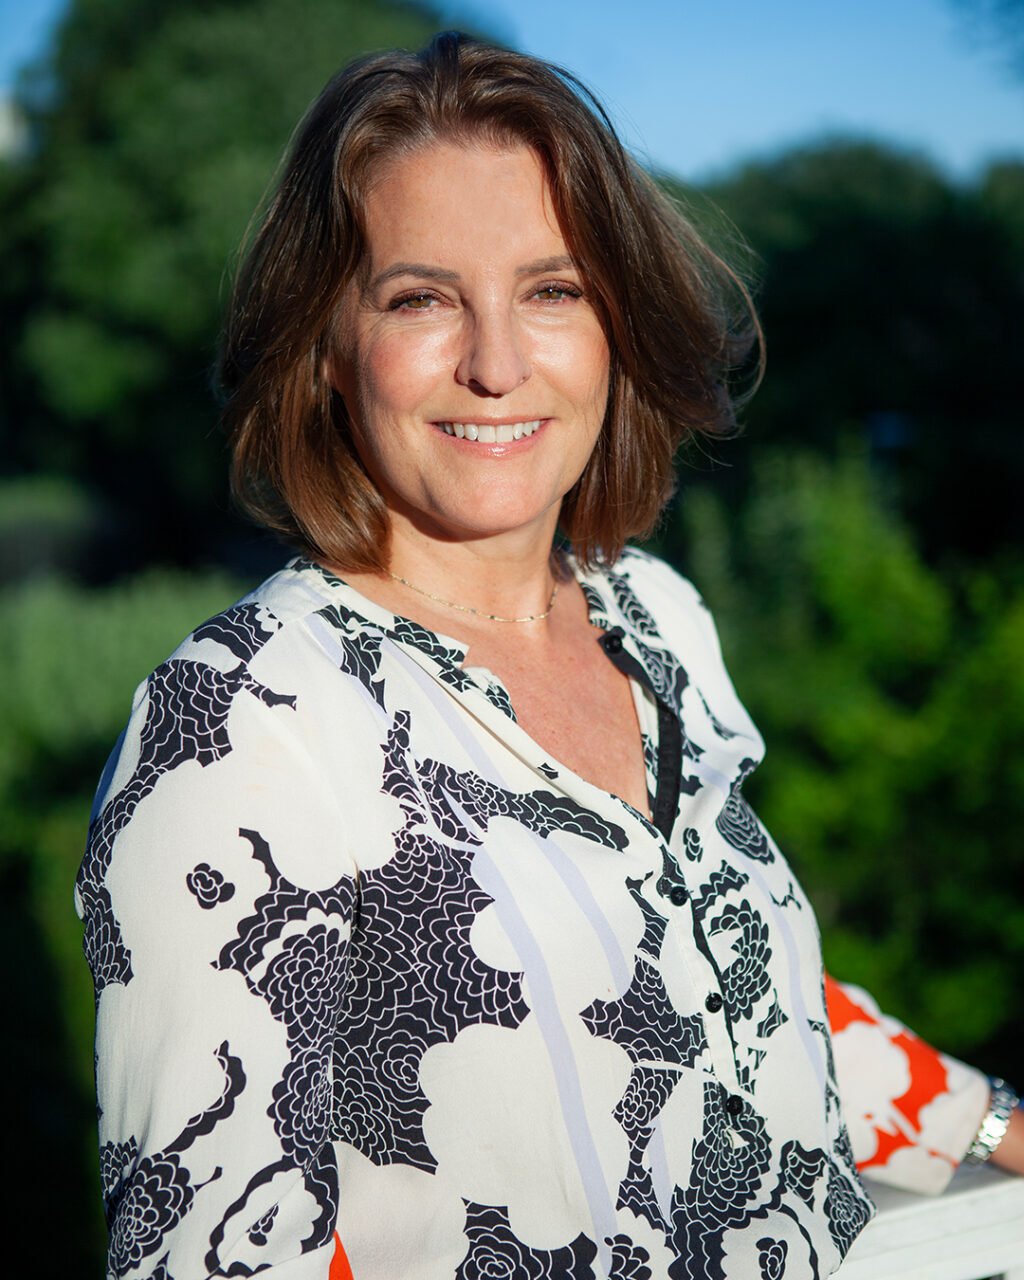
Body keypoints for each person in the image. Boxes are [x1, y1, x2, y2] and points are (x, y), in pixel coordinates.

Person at [76, 32, 1023, 1280]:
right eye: (420, 298)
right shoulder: (242, 719)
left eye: (552, 290)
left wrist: (990, 1124)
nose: (496, 362)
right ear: (325, 348)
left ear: (616, 324)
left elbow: (724, 982)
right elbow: (212, 1250)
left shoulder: (657, 617)